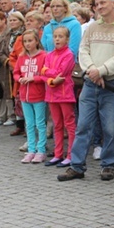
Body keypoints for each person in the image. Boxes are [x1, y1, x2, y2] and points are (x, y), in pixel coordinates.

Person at [57, 0, 114, 182]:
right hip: (91, 83)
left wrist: (101, 70)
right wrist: (92, 70)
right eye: (96, 4)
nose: (99, 7)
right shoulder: (91, 28)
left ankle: (108, 165)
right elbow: (83, 51)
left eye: (103, 3)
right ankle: (77, 166)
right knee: (83, 126)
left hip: (112, 85)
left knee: (110, 127)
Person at [42, 27, 76, 167]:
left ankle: (71, 155)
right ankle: (58, 154)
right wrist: (51, 80)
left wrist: (49, 73)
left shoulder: (68, 54)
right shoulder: (49, 55)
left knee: (69, 125)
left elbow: (61, 73)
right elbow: (44, 72)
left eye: (60, 36)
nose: (57, 39)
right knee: (57, 124)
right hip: (52, 94)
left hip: (64, 94)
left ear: (67, 39)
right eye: (55, 36)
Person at [14, 30, 48, 164]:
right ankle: (31, 149)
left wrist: (33, 78)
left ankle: (41, 150)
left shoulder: (43, 56)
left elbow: (45, 75)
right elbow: (16, 73)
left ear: (37, 41)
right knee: (29, 123)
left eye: (30, 40)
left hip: (38, 95)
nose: (27, 44)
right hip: (24, 96)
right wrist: (20, 79)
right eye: (25, 41)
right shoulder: (21, 57)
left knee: (40, 123)